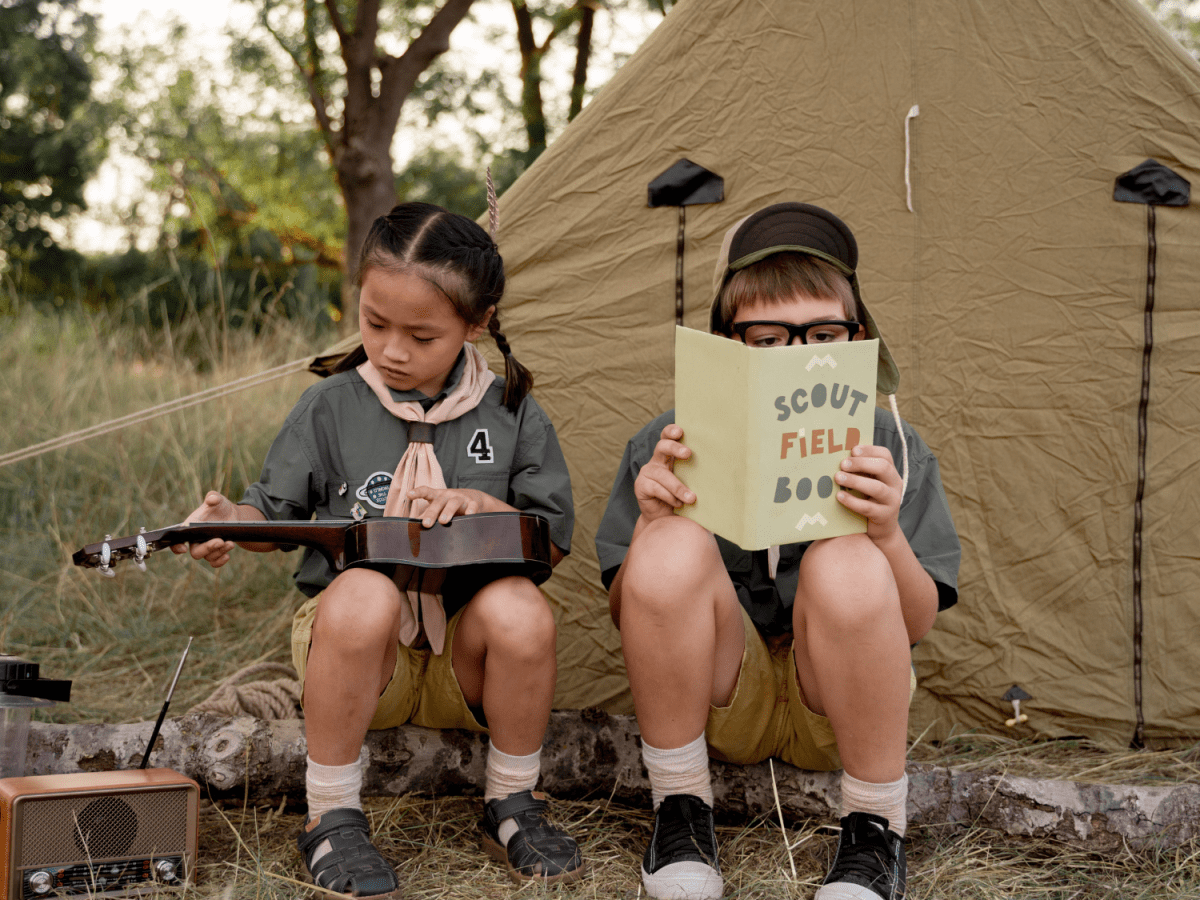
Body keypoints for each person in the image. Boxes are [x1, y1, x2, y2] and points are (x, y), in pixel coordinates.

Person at [175, 202, 582, 897]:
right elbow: (272, 511)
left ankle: (512, 802)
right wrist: (228, 520)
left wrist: (487, 508)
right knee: (365, 587)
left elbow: (552, 536)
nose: (392, 350)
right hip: (361, 653)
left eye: (421, 335)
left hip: (463, 660)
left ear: (476, 324)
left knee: (520, 607)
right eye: (374, 323)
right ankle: (330, 815)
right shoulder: (332, 405)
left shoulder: (511, 408)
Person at [595, 202, 960, 900]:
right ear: (726, 345)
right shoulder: (667, 442)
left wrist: (883, 533)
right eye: (767, 339)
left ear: (859, 341)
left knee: (844, 559)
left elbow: (915, 625)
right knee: (671, 543)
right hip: (729, 697)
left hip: (840, 707)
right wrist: (650, 522)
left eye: (823, 334)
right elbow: (628, 610)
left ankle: (876, 830)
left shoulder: (893, 447)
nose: (797, 356)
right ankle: (680, 810)